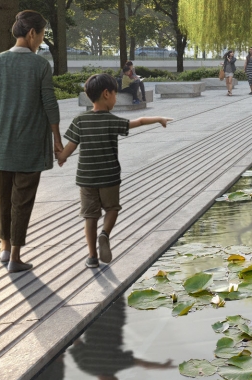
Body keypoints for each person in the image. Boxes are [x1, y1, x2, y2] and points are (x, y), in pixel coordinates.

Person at [0, 10, 63, 274]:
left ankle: (4, 250)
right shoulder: (40, 65)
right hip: (30, 145)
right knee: (22, 201)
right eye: (42, 35)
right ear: (31, 34)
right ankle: (16, 257)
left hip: (1, 143)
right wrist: (57, 140)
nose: (41, 40)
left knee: (3, 198)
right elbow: (50, 105)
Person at [60, 73, 172, 268]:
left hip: (87, 178)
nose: (115, 98)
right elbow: (139, 121)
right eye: (115, 94)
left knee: (90, 216)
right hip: (110, 177)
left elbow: (70, 146)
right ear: (106, 94)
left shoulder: (80, 120)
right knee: (112, 209)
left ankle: (92, 257)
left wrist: (61, 157)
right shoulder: (112, 121)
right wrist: (159, 119)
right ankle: (105, 234)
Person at [70, 301, 173, 380]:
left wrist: (163, 366)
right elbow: (75, 338)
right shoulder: (85, 366)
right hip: (91, 312)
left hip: (114, 309)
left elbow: (143, 364)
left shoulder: (116, 364)